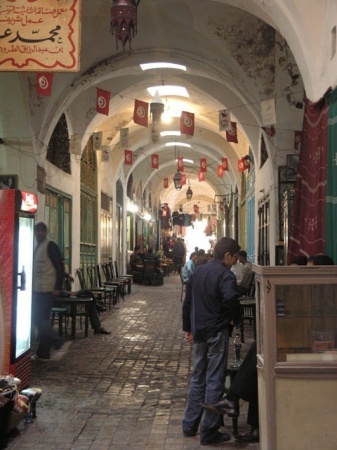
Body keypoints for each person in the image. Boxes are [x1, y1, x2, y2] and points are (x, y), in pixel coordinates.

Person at [182, 237, 241, 446]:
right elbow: (231, 298)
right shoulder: (226, 275)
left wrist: (187, 327)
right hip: (217, 332)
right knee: (215, 380)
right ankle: (209, 431)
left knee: (198, 378)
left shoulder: (198, 271)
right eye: (234, 257)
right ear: (227, 255)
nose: (235, 261)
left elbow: (187, 301)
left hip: (200, 333)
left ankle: (189, 425)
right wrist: (235, 318)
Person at [31, 222, 72, 361]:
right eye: (37, 231)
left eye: (41, 231)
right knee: (43, 320)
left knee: (36, 318)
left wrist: (57, 287)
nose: (39, 234)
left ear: (45, 232)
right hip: (39, 289)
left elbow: (59, 267)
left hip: (46, 290)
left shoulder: (50, 246)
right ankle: (43, 353)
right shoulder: (38, 247)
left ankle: (59, 341)